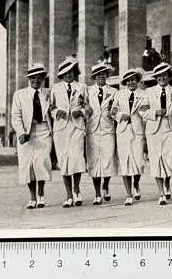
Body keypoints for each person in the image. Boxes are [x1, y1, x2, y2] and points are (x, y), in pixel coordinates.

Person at [10, 63, 53, 209]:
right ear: (29, 79)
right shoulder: (19, 94)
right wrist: (21, 132)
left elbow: (53, 109)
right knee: (28, 165)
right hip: (26, 133)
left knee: (41, 162)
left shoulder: (48, 93)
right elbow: (15, 116)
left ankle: (41, 195)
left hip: (44, 131)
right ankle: (32, 198)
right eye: (33, 78)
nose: (36, 80)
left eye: (39, 78)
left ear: (43, 79)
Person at [50, 56, 89, 208]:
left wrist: (82, 113)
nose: (68, 75)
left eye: (71, 72)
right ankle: (69, 195)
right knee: (64, 162)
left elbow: (87, 106)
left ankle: (77, 190)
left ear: (75, 73)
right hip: (61, 129)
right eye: (65, 73)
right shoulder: (55, 88)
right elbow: (51, 107)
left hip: (77, 128)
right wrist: (57, 112)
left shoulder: (82, 87)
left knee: (77, 158)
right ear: (61, 75)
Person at [139, 62, 172, 205]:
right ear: (156, 77)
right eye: (159, 76)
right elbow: (142, 111)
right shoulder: (149, 92)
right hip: (153, 131)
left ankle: (167, 182)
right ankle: (161, 193)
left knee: (169, 159)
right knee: (156, 160)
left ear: (169, 77)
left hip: (170, 129)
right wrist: (155, 112)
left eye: (165, 75)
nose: (162, 78)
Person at [111, 68, 146, 206]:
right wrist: (120, 115)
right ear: (125, 82)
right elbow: (113, 111)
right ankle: (128, 194)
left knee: (138, 162)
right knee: (125, 162)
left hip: (137, 130)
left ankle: (136, 184)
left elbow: (146, 110)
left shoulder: (143, 94)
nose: (130, 82)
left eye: (133, 79)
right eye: (128, 80)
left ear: (137, 81)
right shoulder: (119, 94)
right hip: (123, 131)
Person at [86, 62, 117, 205]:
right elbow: (82, 104)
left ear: (107, 76)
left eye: (103, 74)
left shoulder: (114, 92)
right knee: (94, 161)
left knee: (108, 159)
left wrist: (114, 112)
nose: (101, 77)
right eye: (98, 75)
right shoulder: (87, 91)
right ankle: (97, 193)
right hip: (92, 130)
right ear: (94, 77)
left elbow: (117, 108)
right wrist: (86, 107)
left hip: (107, 129)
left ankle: (106, 184)